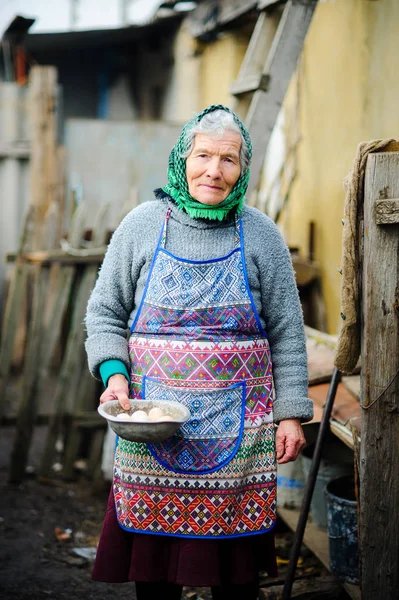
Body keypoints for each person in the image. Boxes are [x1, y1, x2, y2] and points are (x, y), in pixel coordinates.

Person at [85, 104, 313, 600]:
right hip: (154, 426)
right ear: (181, 160)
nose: (214, 170)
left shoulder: (261, 235)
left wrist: (291, 413)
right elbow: (103, 313)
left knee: (235, 580)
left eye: (228, 159)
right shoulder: (142, 225)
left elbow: (288, 332)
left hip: (239, 434)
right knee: (155, 573)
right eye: (203, 155)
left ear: (243, 169)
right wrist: (114, 373)